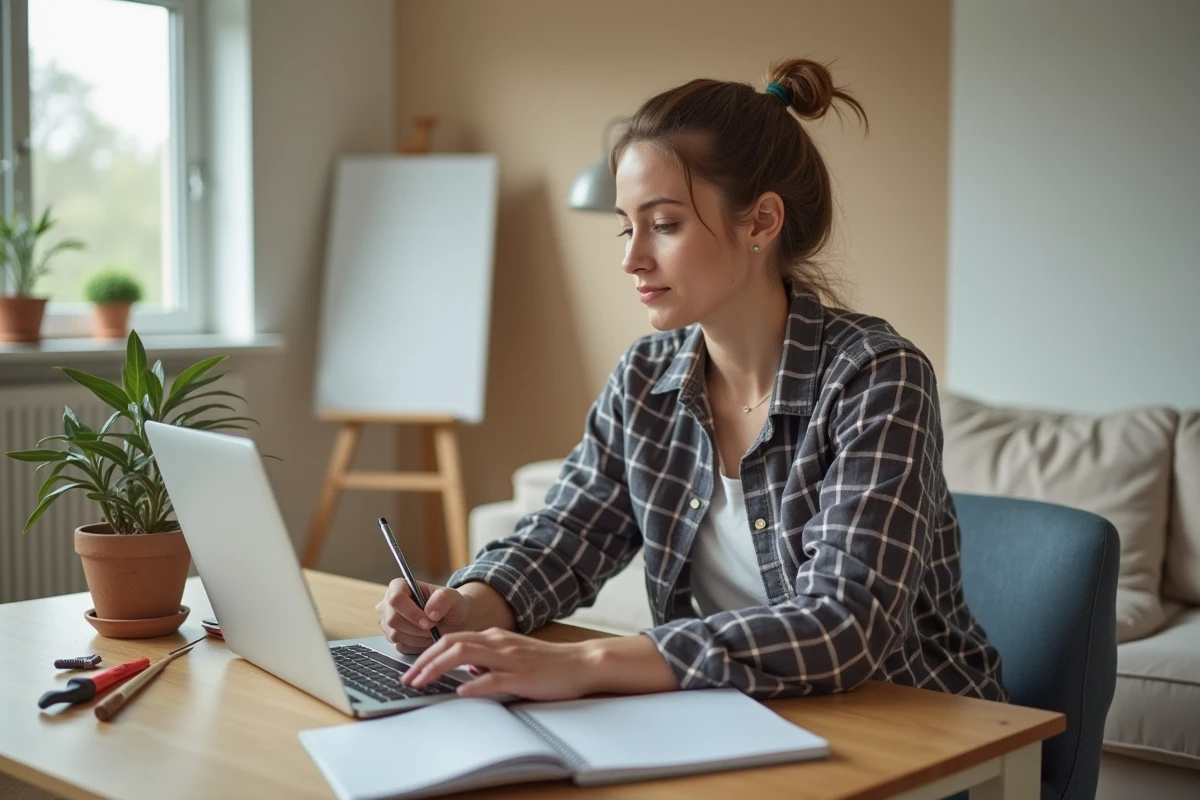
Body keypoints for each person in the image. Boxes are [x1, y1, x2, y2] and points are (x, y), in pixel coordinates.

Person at [378, 58, 1007, 704]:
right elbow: (568, 535)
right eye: (627, 226)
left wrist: (590, 662)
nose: (631, 257)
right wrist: (468, 605)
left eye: (665, 224)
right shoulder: (646, 377)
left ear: (761, 221)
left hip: (918, 726)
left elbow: (842, 625)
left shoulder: (877, 378)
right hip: (740, 716)